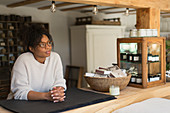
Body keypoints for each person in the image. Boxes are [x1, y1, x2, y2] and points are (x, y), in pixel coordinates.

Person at [7, 24, 66, 103]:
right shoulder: (23, 60)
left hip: (45, 102)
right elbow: (20, 92)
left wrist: (58, 92)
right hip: (20, 104)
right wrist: (46, 96)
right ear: (31, 48)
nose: (47, 47)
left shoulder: (55, 57)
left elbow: (59, 81)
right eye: (42, 44)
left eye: (49, 43)